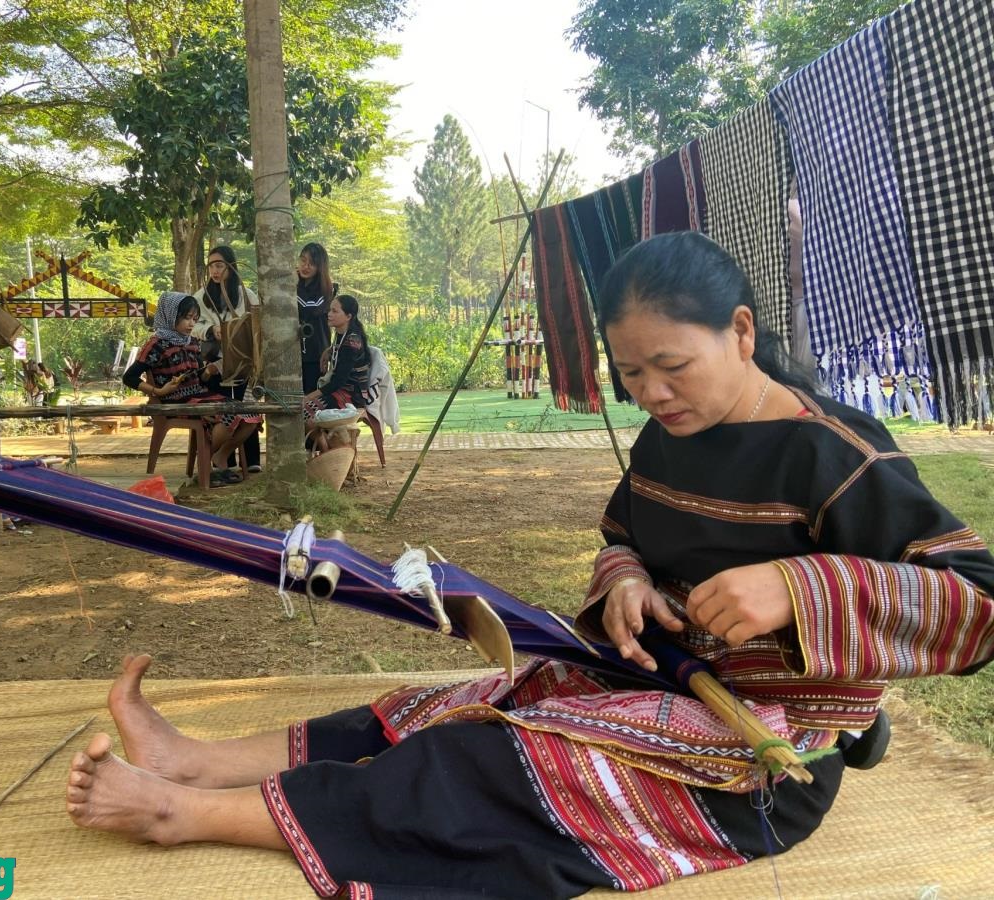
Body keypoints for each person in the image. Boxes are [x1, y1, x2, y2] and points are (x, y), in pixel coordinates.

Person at [69, 232, 994, 897]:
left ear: (742, 332)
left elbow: (980, 599)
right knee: (450, 705)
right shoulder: (670, 437)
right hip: (661, 679)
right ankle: (197, 762)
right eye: (630, 374)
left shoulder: (836, 455)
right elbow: (625, 537)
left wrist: (797, 586)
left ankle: (184, 813)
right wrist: (625, 583)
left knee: (494, 758)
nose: (652, 394)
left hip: (761, 752)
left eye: (671, 365)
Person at [123, 291, 256, 487]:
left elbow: (198, 376)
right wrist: (159, 392)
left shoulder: (191, 342)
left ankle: (219, 456)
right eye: (187, 318)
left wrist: (210, 370)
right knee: (228, 415)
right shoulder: (156, 344)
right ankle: (204, 465)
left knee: (251, 415)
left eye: (195, 319)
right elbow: (129, 377)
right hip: (173, 400)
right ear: (170, 315)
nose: (191, 324)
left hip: (198, 394)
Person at [189, 245, 262, 473]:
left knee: (247, 408)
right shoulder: (200, 297)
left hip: (243, 361)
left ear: (231, 267)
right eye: (211, 266)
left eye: (219, 265)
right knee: (222, 412)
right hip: (214, 362)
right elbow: (192, 325)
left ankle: (251, 460)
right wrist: (210, 330)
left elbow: (258, 322)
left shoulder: (246, 295)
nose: (215, 271)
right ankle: (222, 461)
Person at [301, 295, 375, 446]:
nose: (329, 314)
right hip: (339, 391)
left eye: (335, 311)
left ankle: (329, 451)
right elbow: (340, 353)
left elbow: (338, 381)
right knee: (305, 415)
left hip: (350, 395)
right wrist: (328, 351)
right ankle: (329, 450)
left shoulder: (352, 341)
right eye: (330, 310)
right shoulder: (341, 335)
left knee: (304, 412)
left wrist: (308, 397)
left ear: (348, 316)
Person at [296, 242, 336, 395]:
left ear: (320, 267)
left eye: (312, 263)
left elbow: (308, 307)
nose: (305, 266)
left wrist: (292, 286)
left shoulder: (327, 289)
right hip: (293, 353)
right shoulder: (295, 284)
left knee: (312, 399)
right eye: (303, 260)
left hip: (316, 355)